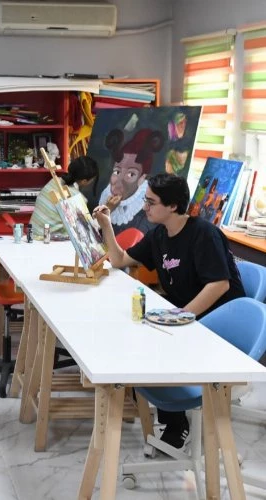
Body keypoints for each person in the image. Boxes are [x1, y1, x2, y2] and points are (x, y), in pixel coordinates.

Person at [93, 173, 245, 451]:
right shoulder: (159, 234)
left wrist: (180, 317)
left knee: (153, 341)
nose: (144, 207)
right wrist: (106, 225)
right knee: (135, 330)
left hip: (218, 319)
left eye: (151, 202)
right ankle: (164, 409)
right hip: (188, 315)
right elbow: (119, 259)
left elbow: (219, 285)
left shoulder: (204, 234)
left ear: (173, 206)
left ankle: (176, 423)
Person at [97, 128, 165, 235]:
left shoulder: (143, 219)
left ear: (142, 179)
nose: (118, 183)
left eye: (131, 174)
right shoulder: (104, 195)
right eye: (117, 172)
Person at [29, 155, 99, 240]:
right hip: (47, 239)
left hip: (32, 234)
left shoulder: (54, 181)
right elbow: (86, 231)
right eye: (92, 180)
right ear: (84, 181)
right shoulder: (77, 198)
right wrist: (106, 211)